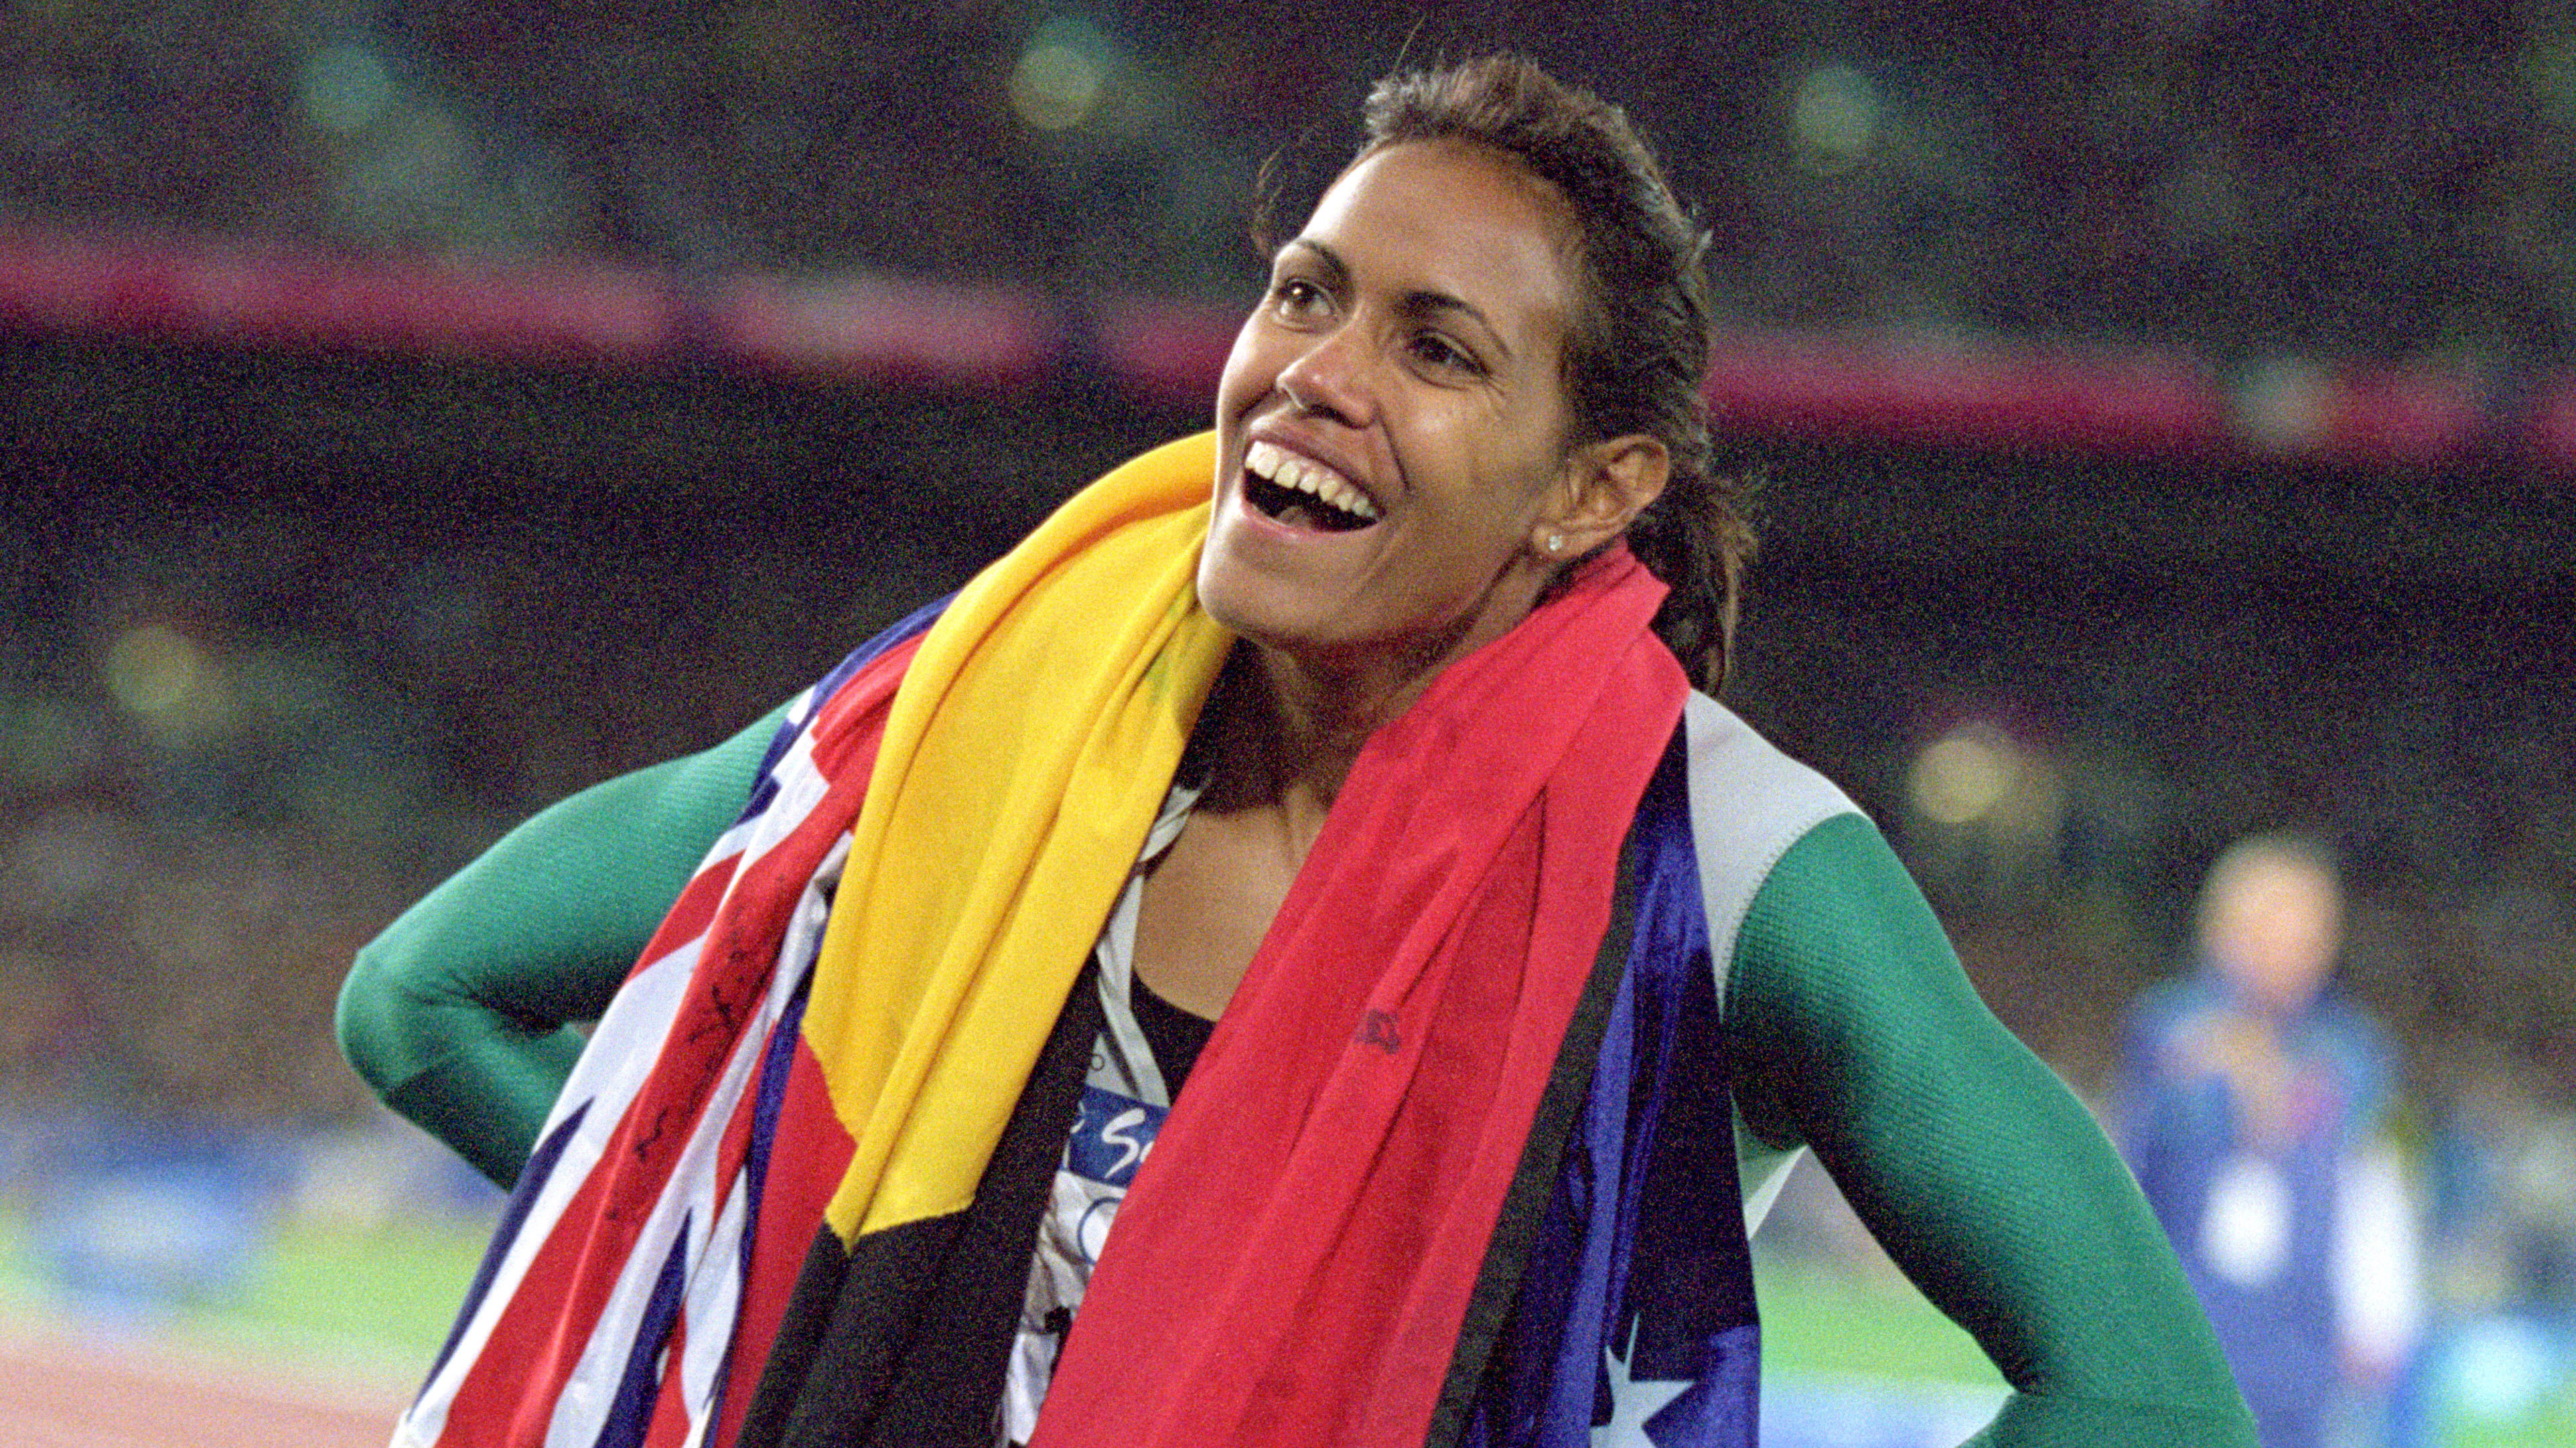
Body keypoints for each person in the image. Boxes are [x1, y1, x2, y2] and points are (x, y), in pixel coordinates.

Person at [340, 54, 2255, 1448]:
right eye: (1302, 291)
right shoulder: (987, 715)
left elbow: (2148, 1395)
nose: (1316, 372)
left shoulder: (1727, 863)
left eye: (1436, 351)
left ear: (1590, 490)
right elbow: (417, 1000)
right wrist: (809, 1311)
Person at [2119, 833, 2422, 1448]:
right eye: (2270, 925)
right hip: (2184, 1329)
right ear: (2223, 929)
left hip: (2303, 1340)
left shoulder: (2353, 1048)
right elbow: (2138, 1164)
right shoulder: (2168, 1025)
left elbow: (2366, 1183)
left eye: (2308, 930)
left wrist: (2381, 1313)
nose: (2291, 948)